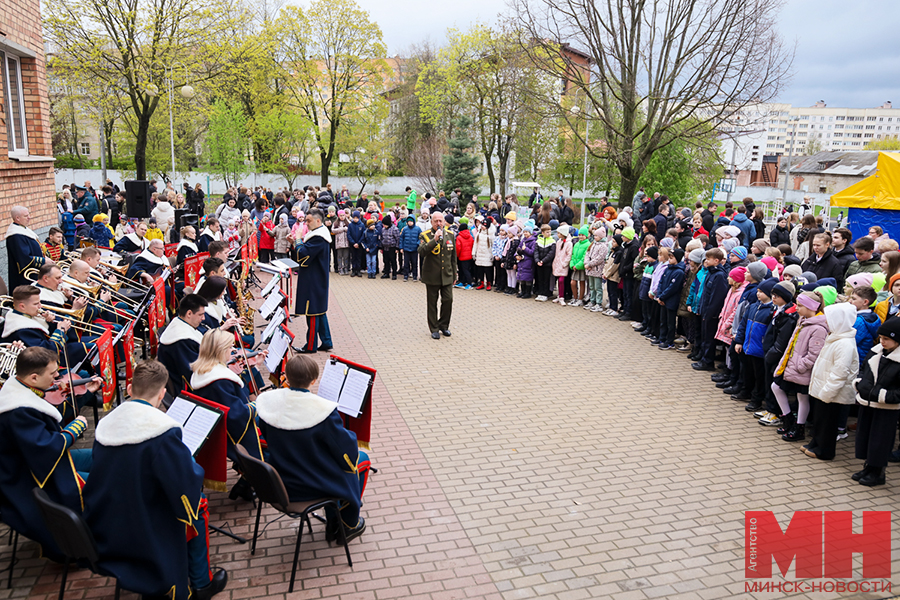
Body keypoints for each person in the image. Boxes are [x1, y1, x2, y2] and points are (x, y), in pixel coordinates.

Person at [83, 360, 227, 599]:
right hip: (145, 520)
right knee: (197, 506)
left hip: (106, 515)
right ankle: (201, 583)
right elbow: (184, 483)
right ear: (162, 393)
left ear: (129, 389)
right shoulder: (162, 431)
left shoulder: (106, 425)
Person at [255, 355, 368, 542]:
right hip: (310, 484)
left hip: (279, 481)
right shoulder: (323, 411)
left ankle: (335, 521)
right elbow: (346, 450)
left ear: (286, 377)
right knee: (360, 460)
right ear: (314, 380)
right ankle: (346, 524)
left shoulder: (269, 404)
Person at [0, 347, 99, 558]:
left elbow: (56, 416)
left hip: (45, 462)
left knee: (104, 455)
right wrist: (75, 428)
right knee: (99, 483)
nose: (58, 377)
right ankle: (97, 535)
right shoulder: (18, 411)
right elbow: (47, 447)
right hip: (32, 476)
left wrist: (87, 392)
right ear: (34, 377)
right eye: (53, 373)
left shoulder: (25, 388)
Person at [190, 330, 263, 501]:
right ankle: (252, 480)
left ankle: (245, 483)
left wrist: (255, 367)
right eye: (230, 347)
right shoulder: (219, 381)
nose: (232, 351)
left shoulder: (204, 371)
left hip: (219, 426)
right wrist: (258, 405)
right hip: (232, 431)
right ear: (220, 350)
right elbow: (236, 414)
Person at [801, 303, 859, 462]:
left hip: (832, 391)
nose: (826, 322)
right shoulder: (835, 337)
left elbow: (840, 373)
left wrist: (827, 392)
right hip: (823, 387)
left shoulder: (844, 343)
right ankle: (815, 443)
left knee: (828, 423)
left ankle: (824, 450)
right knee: (820, 420)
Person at [771, 291, 828, 442]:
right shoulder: (803, 321)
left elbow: (814, 354)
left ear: (811, 307)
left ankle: (799, 427)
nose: (796, 308)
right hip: (792, 366)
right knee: (776, 386)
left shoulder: (818, 328)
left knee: (802, 398)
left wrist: (800, 366)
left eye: (800, 305)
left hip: (801, 369)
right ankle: (788, 418)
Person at [852, 317, 900, 486]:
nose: (882, 342)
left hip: (887, 406)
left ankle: (878, 471)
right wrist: (860, 384)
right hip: (868, 400)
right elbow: (864, 369)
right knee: (866, 435)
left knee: (880, 440)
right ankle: (868, 466)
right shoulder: (876, 350)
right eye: (881, 338)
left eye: (887, 339)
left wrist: (883, 395)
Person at [294, 208, 334, 352]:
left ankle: (310, 346)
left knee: (312, 312)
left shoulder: (318, 237)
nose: (306, 223)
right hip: (317, 278)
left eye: (309, 221)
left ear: (318, 221)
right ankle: (326, 341)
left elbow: (303, 256)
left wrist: (298, 240)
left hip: (313, 280)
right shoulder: (318, 233)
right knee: (320, 311)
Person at [419, 212, 457, 339]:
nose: (438, 223)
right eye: (436, 221)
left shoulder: (450, 235)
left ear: (444, 221)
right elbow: (422, 251)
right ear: (431, 222)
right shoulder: (425, 235)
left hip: (447, 275)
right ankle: (434, 328)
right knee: (432, 303)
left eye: (440, 221)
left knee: (448, 300)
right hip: (432, 275)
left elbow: (453, 257)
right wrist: (434, 240)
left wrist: (455, 274)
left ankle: (444, 325)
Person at [158, 294, 208, 391]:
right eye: (200, 315)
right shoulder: (182, 341)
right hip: (189, 389)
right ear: (189, 314)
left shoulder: (180, 323)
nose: (203, 318)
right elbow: (194, 373)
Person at [6, 206, 47, 290]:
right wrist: (44, 261)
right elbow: (24, 259)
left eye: (29, 215)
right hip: (25, 278)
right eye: (26, 216)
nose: (29, 218)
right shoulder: (15, 235)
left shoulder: (22, 229)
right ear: (17, 218)